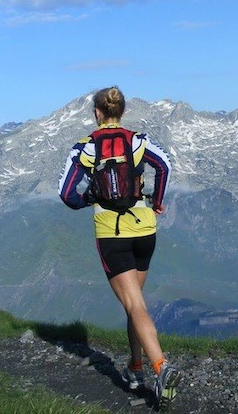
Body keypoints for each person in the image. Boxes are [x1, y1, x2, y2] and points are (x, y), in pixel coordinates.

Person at [57, 86, 181, 408]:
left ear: (97, 113)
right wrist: (156, 201)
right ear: (121, 112)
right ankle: (135, 368)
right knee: (135, 303)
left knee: (135, 305)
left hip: (112, 234)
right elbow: (164, 165)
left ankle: (161, 367)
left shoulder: (85, 148)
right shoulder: (137, 140)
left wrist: (90, 198)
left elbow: (66, 193)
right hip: (145, 229)